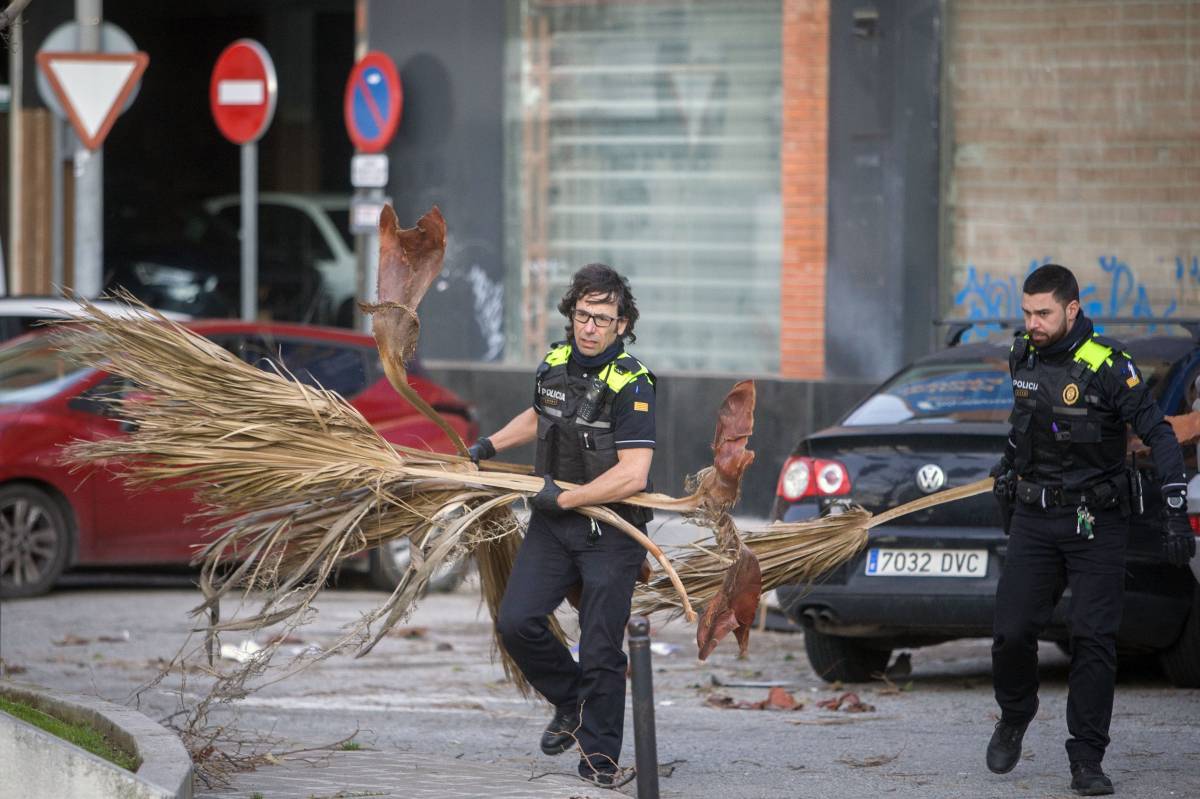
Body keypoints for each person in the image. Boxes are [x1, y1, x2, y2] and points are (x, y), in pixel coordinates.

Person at [988, 264, 1194, 796]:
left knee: (1093, 638)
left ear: (1072, 309)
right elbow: (1026, 420)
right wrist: (1006, 466)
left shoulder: (1109, 365)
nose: (1032, 322)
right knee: (1011, 632)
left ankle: (1086, 758)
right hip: (1036, 517)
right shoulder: (1024, 355)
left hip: (1096, 520)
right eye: (1027, 312)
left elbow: (1160, 435)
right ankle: (1015, 713)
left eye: (1044, 313)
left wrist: (1175, 511)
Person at [468, 263, 655, 787]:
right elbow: (539, 416)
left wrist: (567, 496)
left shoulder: (633, 383)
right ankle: (572, 701)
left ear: (622, 324)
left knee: (600, 647)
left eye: (602, 318)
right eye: (583, 314)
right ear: (571, 314)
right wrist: (489, 446)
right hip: (554, 523)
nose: (590, 326)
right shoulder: (554, 361)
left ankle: (600, 758)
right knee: (516, 622)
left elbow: (633, 473)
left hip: (612, 531)